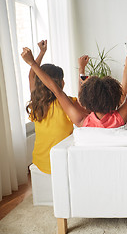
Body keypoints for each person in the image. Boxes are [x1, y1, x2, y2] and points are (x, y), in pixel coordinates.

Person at [21, 37, 127, 128]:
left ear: (86, 101)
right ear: (116, 98)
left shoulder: (82, 121)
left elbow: (55, 89)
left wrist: (33, 62)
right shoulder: (119, 119)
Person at [26, 40, 82, 174]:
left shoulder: (36, 102)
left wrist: (41, 53)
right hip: (61, 163)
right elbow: (82, 99)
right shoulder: (68, 103)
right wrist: (81, 69)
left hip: (40, 161)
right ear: (59, 83)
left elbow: (31, 76)